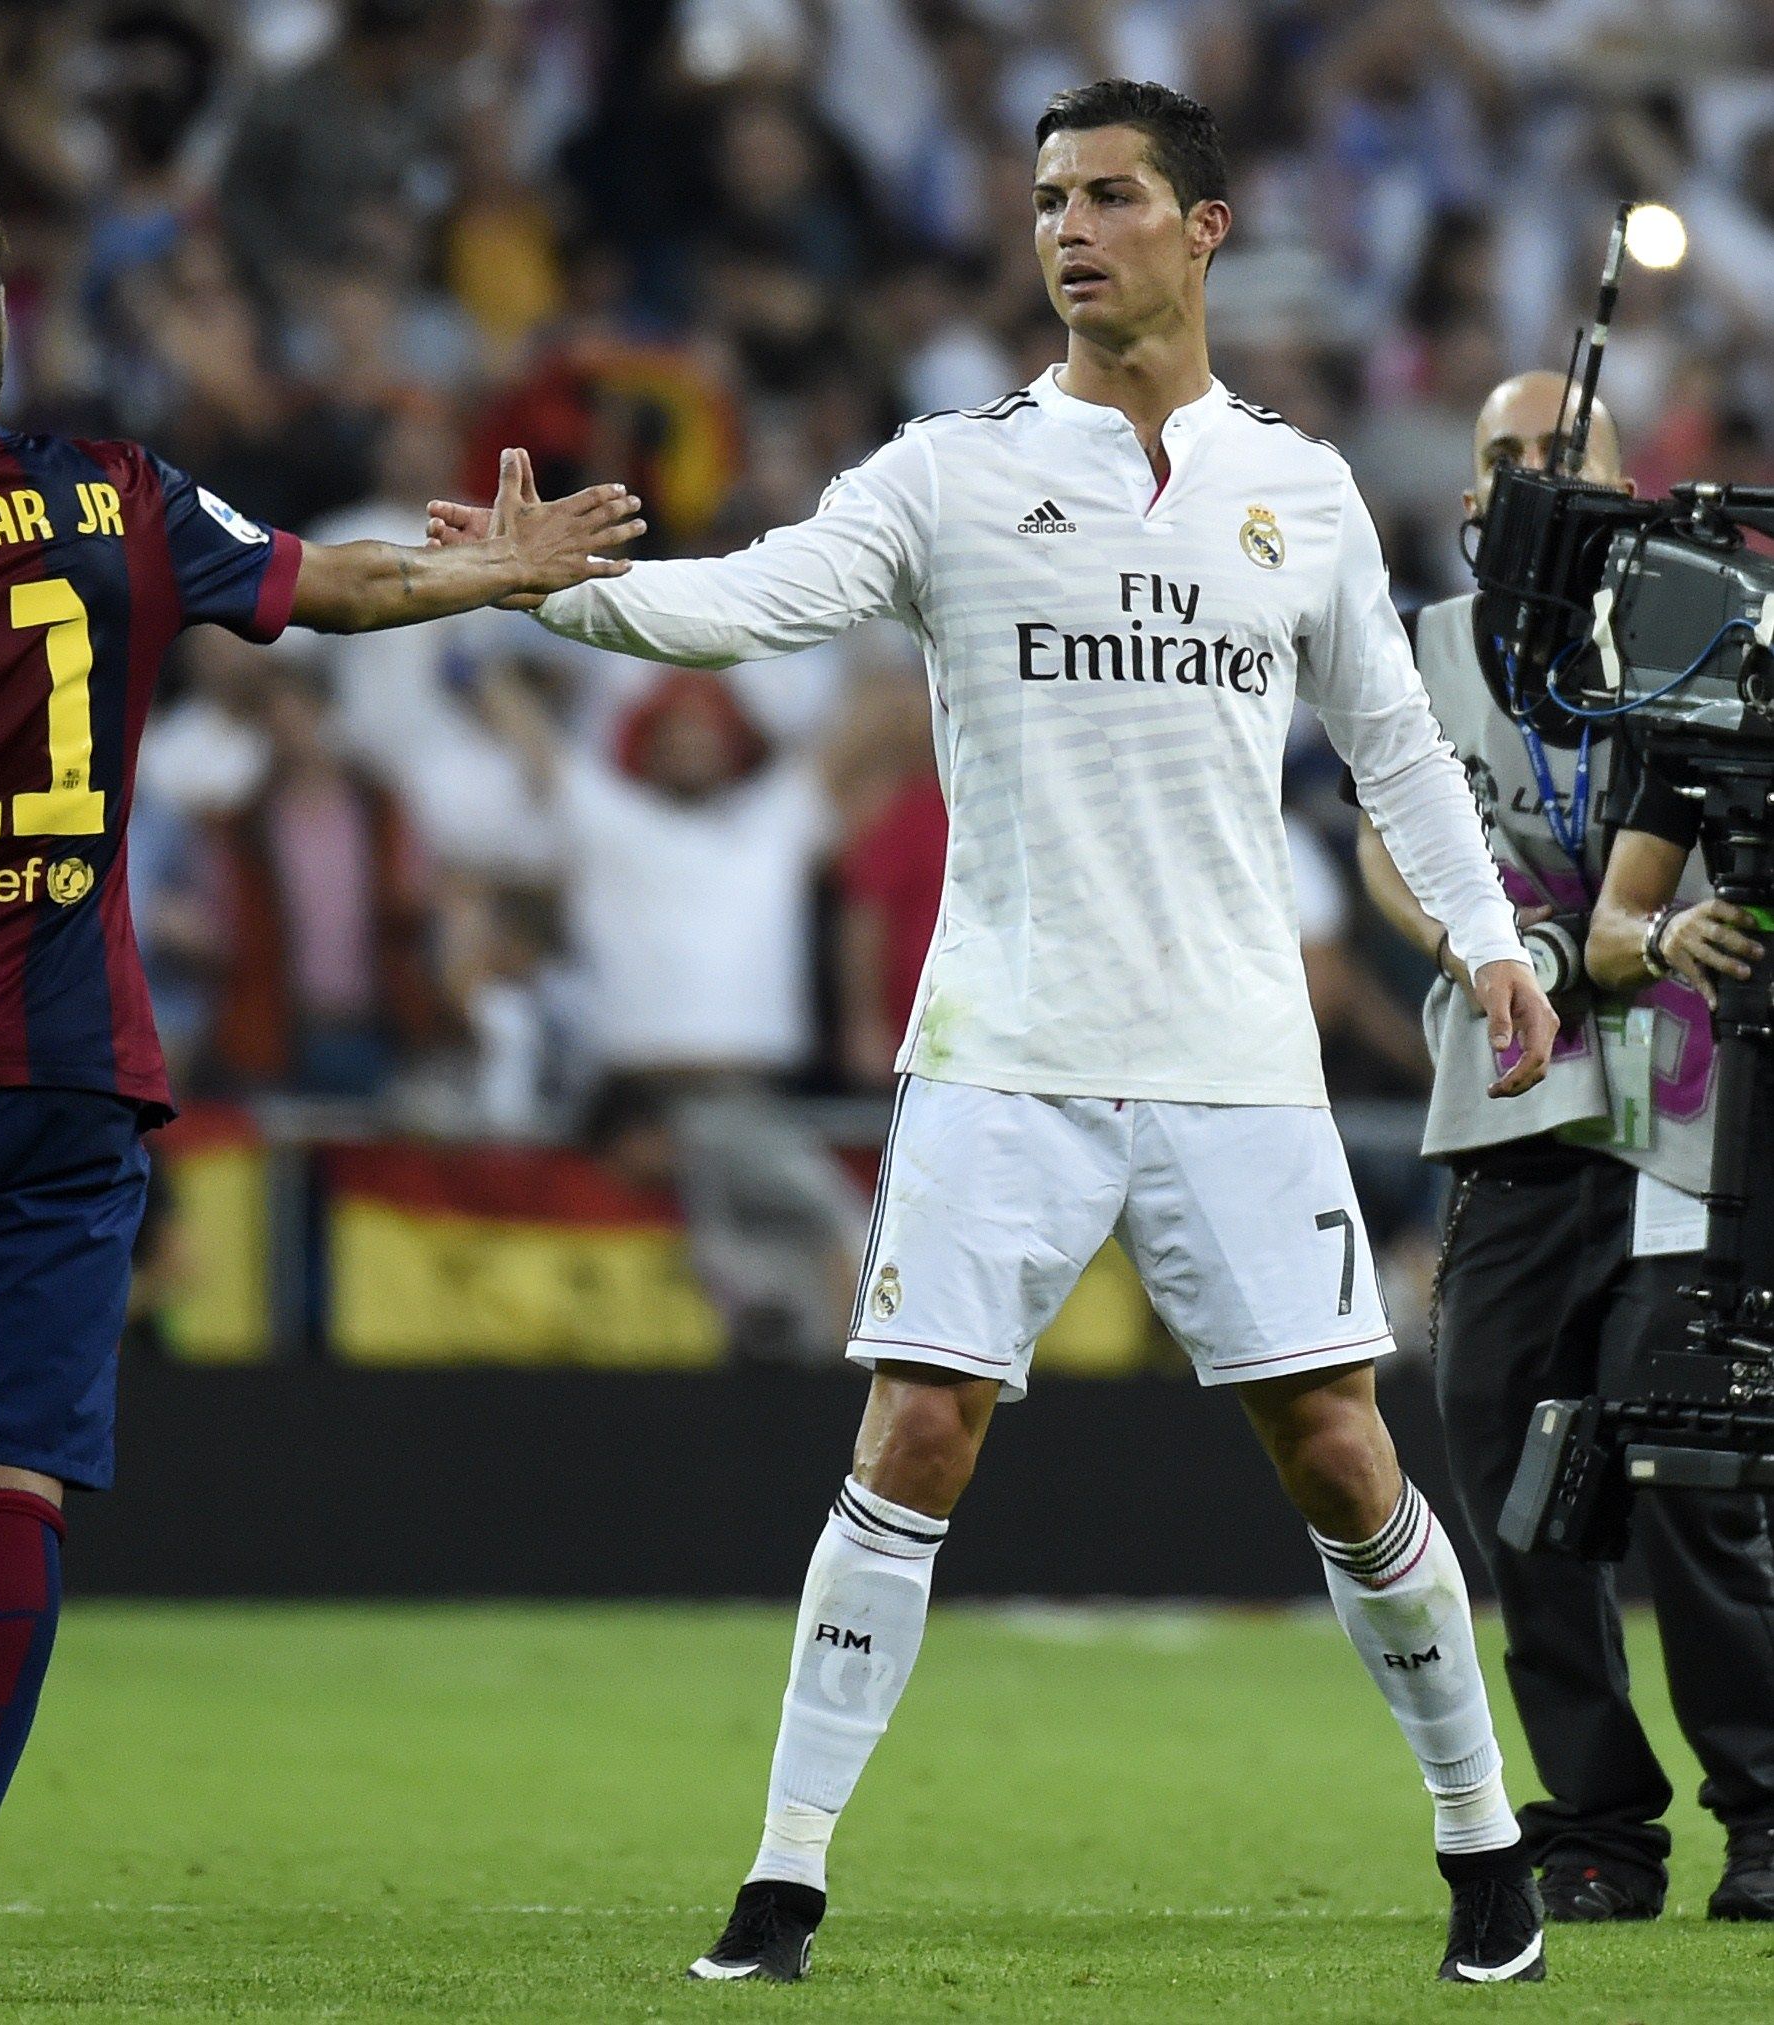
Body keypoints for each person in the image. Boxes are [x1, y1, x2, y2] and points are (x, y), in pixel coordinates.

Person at [433, 79, 1556, 1984]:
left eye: (1110, 196)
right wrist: (567, 588)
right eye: (1048, 199)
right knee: (914, 1429)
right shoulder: (948, 472)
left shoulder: (1296, 487)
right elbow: (754, 601)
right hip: (1002, 1045)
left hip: (1230, 1054)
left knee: (1344, 1459)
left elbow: (1389, 745)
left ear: (1201, 228)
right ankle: (780, 1883)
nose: (1068, 228)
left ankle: (1481, 1846)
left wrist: (1487, 936)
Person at [0, 173, 641, 2002]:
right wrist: (494, 568)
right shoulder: (123, 496)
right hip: (75, 1075)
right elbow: (340, 580)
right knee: (13, 1488)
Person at [1357, 369, 1774, 1924]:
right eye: (1501, 456)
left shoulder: (1705, 634)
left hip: (1685, 1113)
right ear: (1466, 494)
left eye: (1560, 451)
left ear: (1630, 488)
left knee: (1690, 1471)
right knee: (1514, 1478)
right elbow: (1385, 836)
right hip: (1513, 1110)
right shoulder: (1421, 650)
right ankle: (1596, 1825)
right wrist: (1487, 944)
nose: (1528, 477)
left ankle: (1766, 1812)